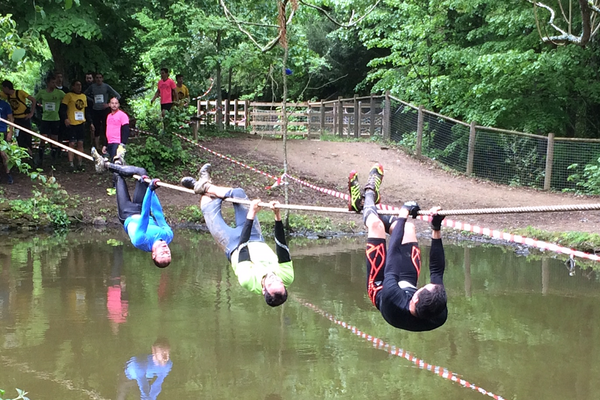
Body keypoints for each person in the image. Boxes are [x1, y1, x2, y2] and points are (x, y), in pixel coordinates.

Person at [349, 163, 448, 332]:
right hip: (406, 283)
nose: (426, 284)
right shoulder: (439, 312)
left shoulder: (392, 298)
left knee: (376, 226)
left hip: (380, 286)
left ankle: (369, 193)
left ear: (415, 298)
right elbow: (437, 272)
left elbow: (392, 256)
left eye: (423, 287)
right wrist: (436, 228)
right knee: (408, 229)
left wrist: (403, 213)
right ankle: (363, 205)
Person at [180, 164, 294, 306]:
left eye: (272, 282)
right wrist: (277, 215)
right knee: (238, 193)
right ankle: (203, 185)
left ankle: (202, 185)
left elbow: (243, 247)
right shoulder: (288, 277)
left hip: (233, 245)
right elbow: (281, 246)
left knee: (208, 204)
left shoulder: (248, 280)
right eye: (280, 281)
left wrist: (251, 213)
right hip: (256, 237)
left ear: (264, 290)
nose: (275, 278)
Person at [92, 146, 173, 267]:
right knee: (142, 173)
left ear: (154, 255)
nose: (166, 251)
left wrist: (150, 189)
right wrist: (152, 190)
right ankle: (117, 162)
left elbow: (145, 218)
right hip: (141, 207)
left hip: (127, 214)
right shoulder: (168, 236)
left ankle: (105, 164)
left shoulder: (141, 241)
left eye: (162, 254)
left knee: (119, 176)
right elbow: (157, 213)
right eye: (168, 254)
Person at [60, 80, 93, 172]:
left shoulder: (83, 96)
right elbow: (62, 109)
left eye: (80, 85)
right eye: (77, 85)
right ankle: (71, 163)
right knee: (72, 143)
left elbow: (86, 111)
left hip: (81, 123)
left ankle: (80, 163)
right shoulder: (68, 96)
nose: (79, 87)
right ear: (73, 86)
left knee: (80, 143)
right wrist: (65, 118)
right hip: (72, 123)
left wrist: (90, 122)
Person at [84, 72, 121, 149]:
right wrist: (91, 100)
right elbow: (84, 95)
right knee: (96, 128)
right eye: (97, 78)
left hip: (105, 110)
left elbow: (117, 95)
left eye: (100, 77)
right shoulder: (92, 87)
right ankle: (97, 147)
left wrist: (109, 104)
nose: (98, 79)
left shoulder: (106, 86)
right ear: (95, 79)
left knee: (106, 128)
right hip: (95, 110)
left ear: (102, 78)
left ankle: (106, 145)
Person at [34, 74, 65, 165]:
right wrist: (36, 109)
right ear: (48, 83)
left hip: (55, 119)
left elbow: (67, 99)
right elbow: (34, 100)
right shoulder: (42, 92)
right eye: (52, 82)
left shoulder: (59, 93)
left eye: (55, 83)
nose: (54, 84)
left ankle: (54, 159)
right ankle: (40, 158)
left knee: (54, 138)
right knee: (43, 138)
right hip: (45, 119)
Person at [1, 80, 36, 155]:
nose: (2, 90)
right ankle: (25, 153)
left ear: (6, 88)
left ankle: (30, 154)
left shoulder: (20, 92)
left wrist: (31, 113)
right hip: (16, 120)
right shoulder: (6, 95)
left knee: (27, 137)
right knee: (19, 137)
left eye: (3, 88)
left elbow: (33, 100)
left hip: (25, 118)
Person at [0, 99, 14, 184]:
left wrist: (10, 132)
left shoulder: (4, 104)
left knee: (3, 153)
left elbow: (11, 119)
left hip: (2, 131)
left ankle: (8, 174)